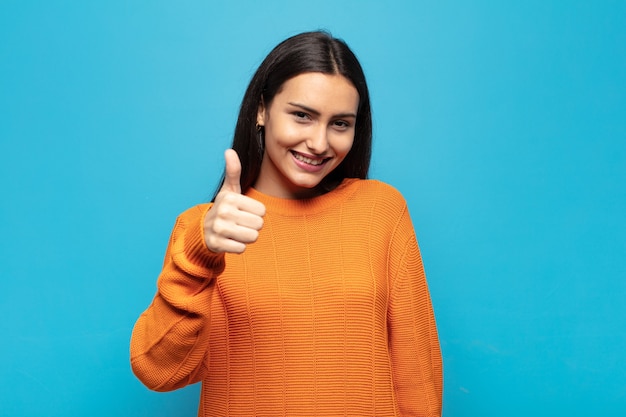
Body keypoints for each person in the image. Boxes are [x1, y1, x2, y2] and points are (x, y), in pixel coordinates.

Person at [130, 31, 443, 417]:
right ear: (262, 109)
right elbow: (158, 371)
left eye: (340, 124)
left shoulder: (381, 210)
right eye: (302, 115)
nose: (319, 142)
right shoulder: (206, 230)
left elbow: (418, 375)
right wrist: (200, 256)